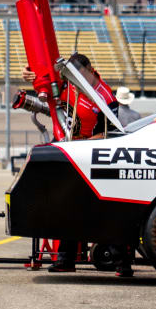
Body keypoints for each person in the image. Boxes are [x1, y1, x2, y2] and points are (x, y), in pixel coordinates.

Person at [21, 53, 133, 276]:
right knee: (68, 205)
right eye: (70, 75)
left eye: (78, 74)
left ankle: (122, 262)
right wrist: (31, 74)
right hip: (72, 154)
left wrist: (83, 143)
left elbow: (109, 132)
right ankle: (65, 259)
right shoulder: (69, 86)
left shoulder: (104, 95)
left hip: (94, 155)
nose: (74, 79)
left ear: (90, 70)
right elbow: (46, 84)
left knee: (106, 209)